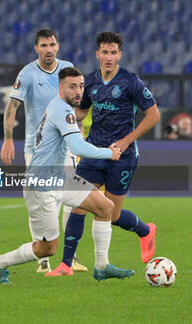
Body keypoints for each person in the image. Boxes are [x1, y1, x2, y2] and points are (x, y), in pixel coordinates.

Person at [0, 67, 135, 284]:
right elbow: (78, 147)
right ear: (60, 87)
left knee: (106, 207)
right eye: (72, 86)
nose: (78, 91)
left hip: (60, 177)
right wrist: (109, 153)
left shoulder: (64, 108)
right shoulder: (62, 110)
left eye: (81, 86)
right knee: (47, 249)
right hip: (41, 184)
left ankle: (102, 266)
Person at [50, 32, 160, 276]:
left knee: (111, 214)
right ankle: (66, 265)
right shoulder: (89, 81)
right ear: (97, 54)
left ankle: (145, 230)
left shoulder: (131, 82)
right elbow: (81, 112)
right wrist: (61, 115)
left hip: (123, 156)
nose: (108, 57)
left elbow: (153, 115)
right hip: (94, 152)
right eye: (104, 52)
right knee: (78, 205)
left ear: (120, 55)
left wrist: (126, 140)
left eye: (113, 52)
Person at [0, 28, 86, 273]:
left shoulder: (68, 69)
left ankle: (70, 257)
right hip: (36, 150)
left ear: (58, 46)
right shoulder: (27, 74)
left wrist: (79, 136)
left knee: (72, 202)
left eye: (52, 44)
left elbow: (76, 105)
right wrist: (7, 140)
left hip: (66, 148)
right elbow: (12, 107)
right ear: (36, 48)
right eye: (43, 45)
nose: (48, 49)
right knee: (40, 203)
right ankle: (43, 259)